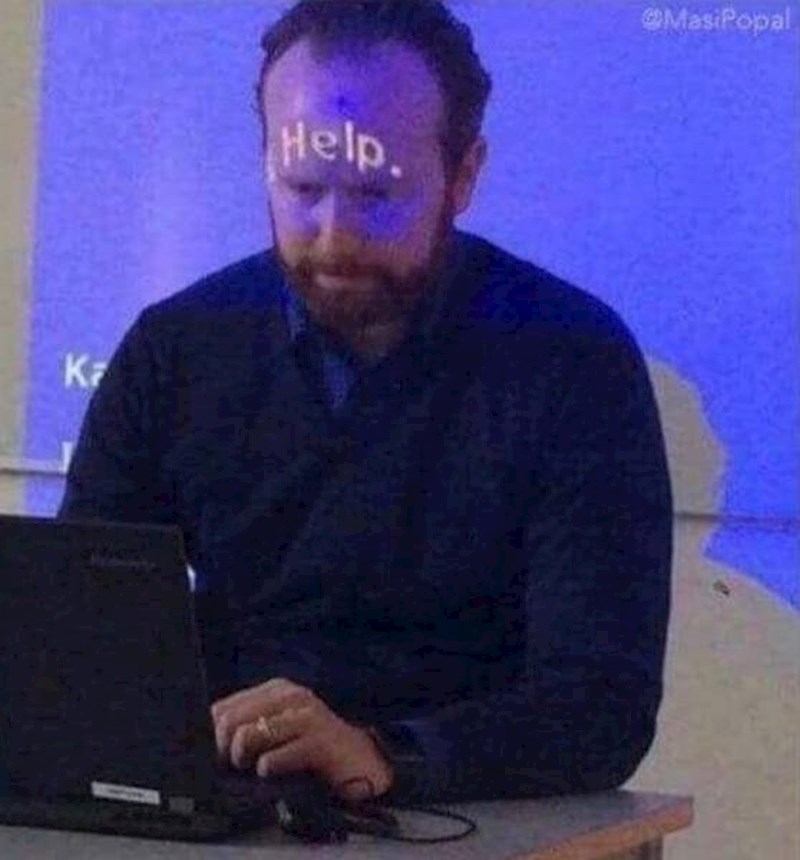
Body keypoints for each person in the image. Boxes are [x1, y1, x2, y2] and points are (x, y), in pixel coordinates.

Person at [59, 0, 673, 807]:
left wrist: (388, 754)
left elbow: (602, 706)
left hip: (471, 818)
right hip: (232, 795)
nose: (334, 235)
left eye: (377, 193)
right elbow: (78, 641)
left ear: (464, 175)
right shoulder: (174, 349)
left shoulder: (573, 360)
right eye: (302, 188)